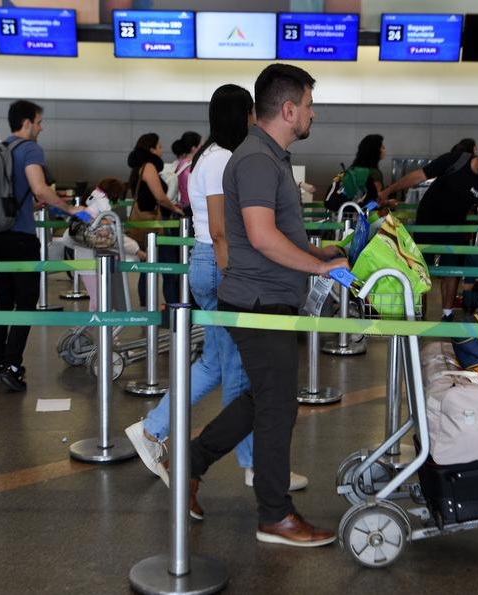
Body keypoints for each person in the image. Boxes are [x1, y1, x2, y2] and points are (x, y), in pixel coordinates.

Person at [187, 64, 347, 547]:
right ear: (289, 108)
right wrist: (318, 269)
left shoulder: (269, 156)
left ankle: (192, 463)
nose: (313, 115)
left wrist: (319, 252)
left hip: (268, 295)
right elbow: (259, 236)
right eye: (310, 105)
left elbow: (275, 231)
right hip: (259, 301)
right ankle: (274, 515)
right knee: (277, 406)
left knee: (264, 398)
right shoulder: (257, 159)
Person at [125, 84, 308, 493]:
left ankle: (155, 429)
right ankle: (251, 465)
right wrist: (235, 282)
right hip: (219, 263)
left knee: (215, 364)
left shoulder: (205, 155)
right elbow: (222, 230)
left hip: (206, 260)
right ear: (241, 114)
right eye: (249, 113)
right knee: (237, 371)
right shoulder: (225, 157)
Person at [0, 100, 83, 392]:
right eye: (39, 122)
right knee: (26, 301)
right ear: (26, 123)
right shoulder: (30, 149)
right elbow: (40, 188)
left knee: (3, 299)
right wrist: (70, 210)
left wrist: (32, 201)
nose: (41, 127)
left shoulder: (0, 149)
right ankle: (13, 367)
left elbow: (20, 192)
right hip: (19, 237)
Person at [379, 144, 478, 321]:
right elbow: (418, 176)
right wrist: (387, 192)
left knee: (451, 272)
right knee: (420, 271)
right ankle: (418, 314)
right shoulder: (455, 161)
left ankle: (447, 314)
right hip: (427, 223)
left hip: (455, 228)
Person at [63, 177, 144, 311]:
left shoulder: (89, 207)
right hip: (90, 262)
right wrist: (137, 250)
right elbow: (117, 237)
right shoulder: (102, 216)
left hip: (85, 260)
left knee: (98, 300)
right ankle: (82, 330)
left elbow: (68, 238)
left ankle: (86, 330)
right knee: (98, 301)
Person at [126, 133, 184, 307]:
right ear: (151, 149)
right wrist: (174, 208)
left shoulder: (137, 167)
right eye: (159, 146)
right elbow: (159, 196)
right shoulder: (149, 166)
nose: (161, 149)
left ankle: (147, 306)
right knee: (170, 269)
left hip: (143, 223)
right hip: (154, 224)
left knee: (147, 267)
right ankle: (174, 307)